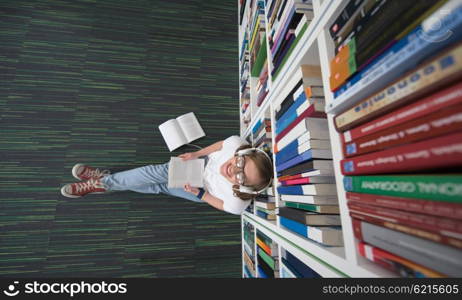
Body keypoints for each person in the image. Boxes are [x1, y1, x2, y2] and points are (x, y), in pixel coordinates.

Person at [60, 136, 273, 215]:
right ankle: (104, 183)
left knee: (159, 186)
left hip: (203, 189)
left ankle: (104, 181)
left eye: (241, 178)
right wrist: (197, 153)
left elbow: (218, 203)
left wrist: (199, 194)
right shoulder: (238, 144)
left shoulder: (238, 203)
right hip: (201, 165)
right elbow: (219, 145)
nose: (233, 170)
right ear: (243, 154)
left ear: (244, 188)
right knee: (155, 173)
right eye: (240, 163)